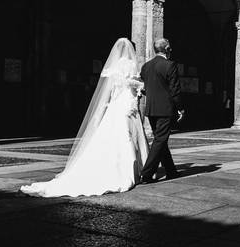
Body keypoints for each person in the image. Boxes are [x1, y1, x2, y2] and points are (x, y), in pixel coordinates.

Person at [20, 38, 148, 197]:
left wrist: (105, 106)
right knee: (127, 135)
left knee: (112, 134)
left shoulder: (115, 66)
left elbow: (110, 89)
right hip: (127, 105)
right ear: (131, 50)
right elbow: (133, 84)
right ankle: (132, 170)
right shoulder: (130, 65)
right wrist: (140, 86)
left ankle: (105, 165)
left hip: (115, 105)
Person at [138, 37, 182, 183]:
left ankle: (171, 171)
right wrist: (180, 108)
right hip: (165, 109)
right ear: (167, 49)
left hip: (151, 109)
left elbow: (145, 88)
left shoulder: (146, 66)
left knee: (160, 140)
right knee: (160, 140)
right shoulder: (170, 65)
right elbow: (175, 90)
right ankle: (147, 174)